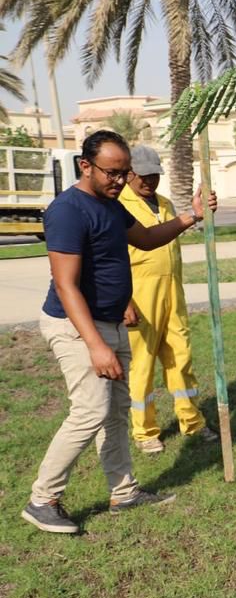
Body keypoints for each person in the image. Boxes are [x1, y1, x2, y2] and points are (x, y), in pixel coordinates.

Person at [23, 131, 209, 535]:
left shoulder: (110, 204)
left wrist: (191, 216)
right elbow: (66, 285)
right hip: (77, 326)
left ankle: (123, 491)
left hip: (110, 322)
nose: (120, 181)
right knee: (90, 410)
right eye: (113, 172)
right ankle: (43, 499)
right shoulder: (68, 210)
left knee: (116, 412)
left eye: (125, 173)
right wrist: (95, 345)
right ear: (84, 166)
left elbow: (144, 239)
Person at [121, 144, 218, 453]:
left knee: (181, 357)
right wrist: (125, 301)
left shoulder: (164, 203)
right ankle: (145, 431)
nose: (150, 182)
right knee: (142, 364)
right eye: (144, 176)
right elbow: (112, 259)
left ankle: (192, 422)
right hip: (140, 297)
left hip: (173, 295)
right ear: (129, 174)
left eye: (155, 176)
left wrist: (199, 213)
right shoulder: (118, 205)